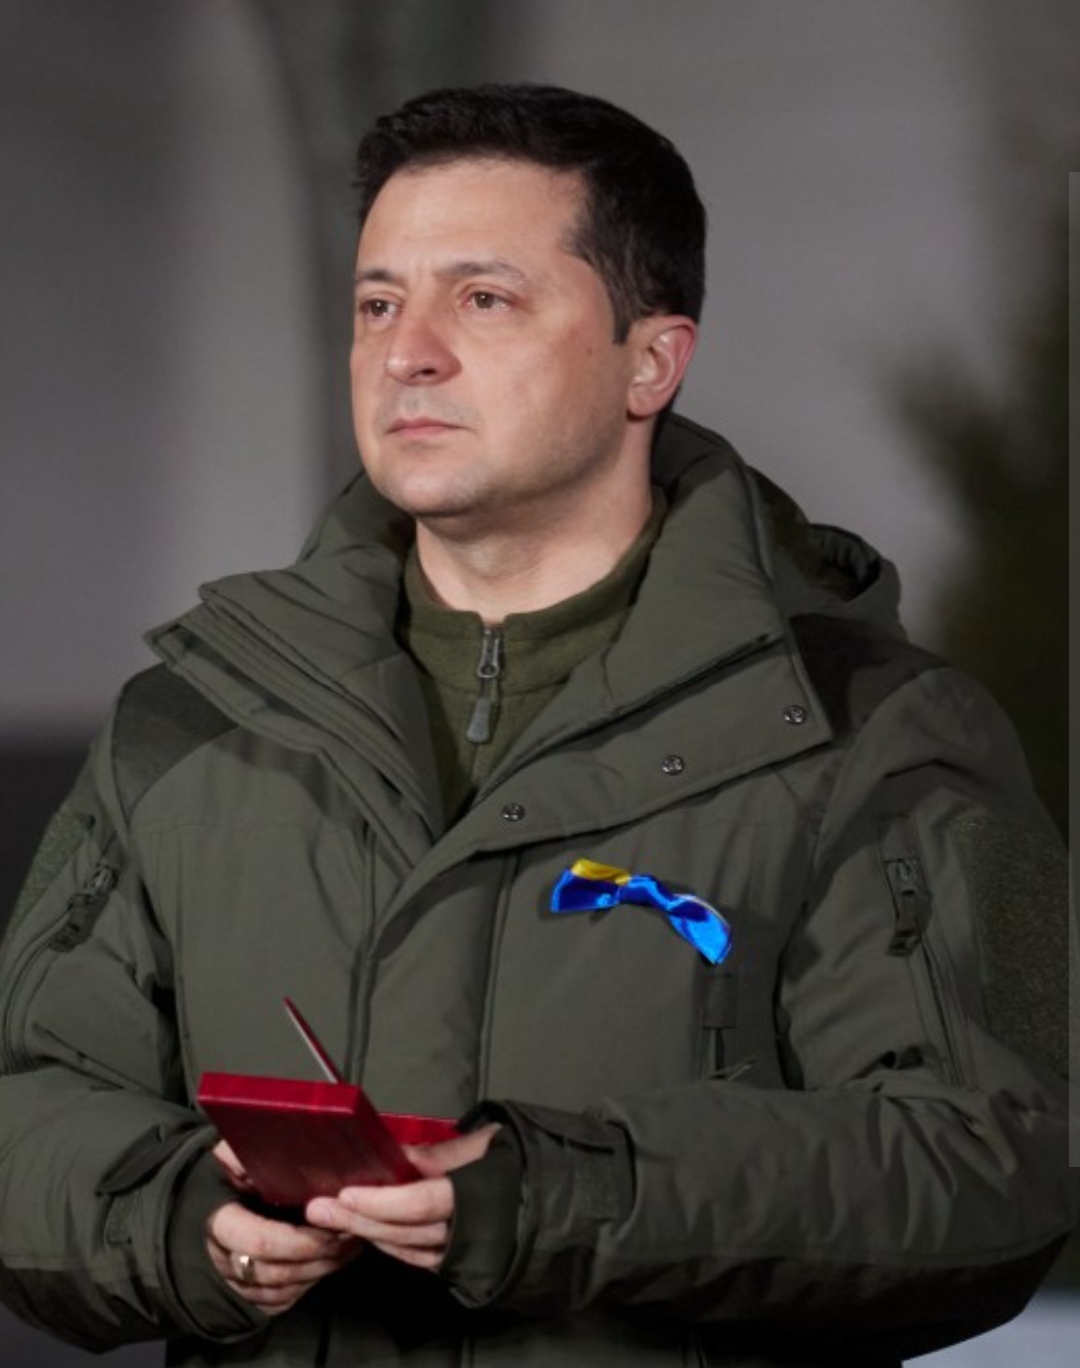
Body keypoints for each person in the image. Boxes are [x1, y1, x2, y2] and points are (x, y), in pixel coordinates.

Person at [0, 82, 1075, 1368]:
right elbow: (28, 1109)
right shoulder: (191, 723)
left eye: (484, 300)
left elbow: (991, 1159)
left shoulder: (881, 733)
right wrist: (184, 1224)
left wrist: (564, 1197)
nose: (408, 353)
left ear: (650, 362)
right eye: (378, 304)